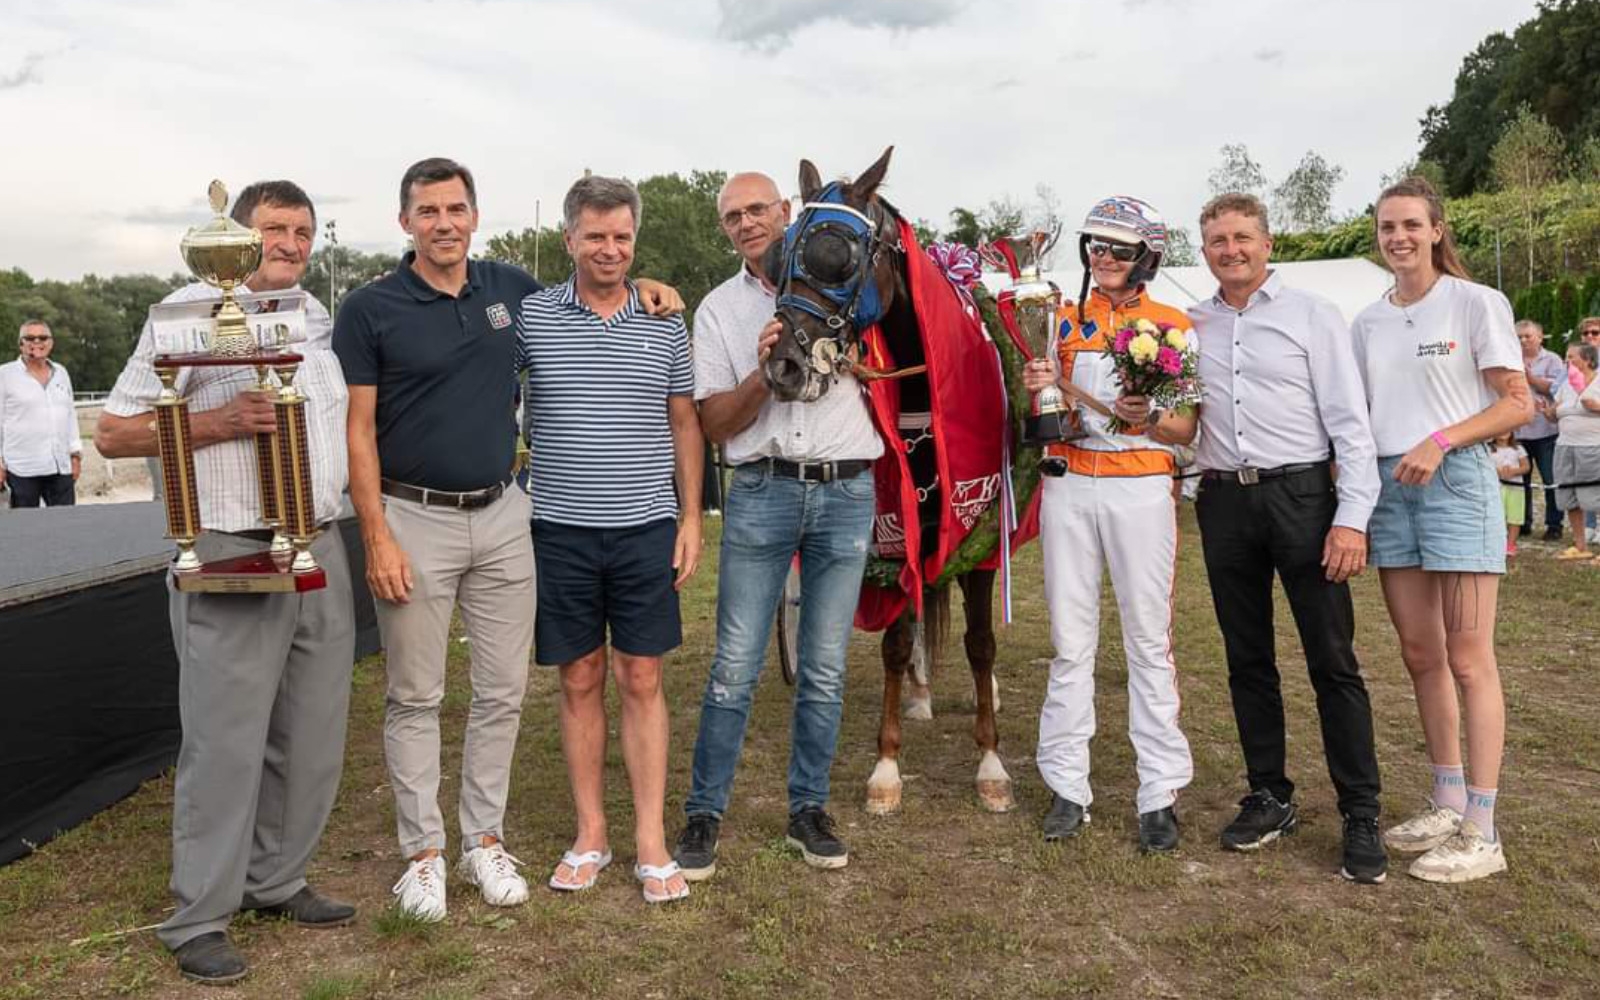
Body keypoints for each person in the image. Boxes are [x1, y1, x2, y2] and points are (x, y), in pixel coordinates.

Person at [333, 158, 683, 922]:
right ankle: (422, 854)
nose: (444, 223)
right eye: (428, 211)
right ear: (405, 223)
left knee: (503, 691)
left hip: (502, 517)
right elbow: (357, 431)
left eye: (456, 208)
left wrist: (654, 284)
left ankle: (482, 838)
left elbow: (601, 282)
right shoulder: (369, 307)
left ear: (475, 216)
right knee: (416, 694)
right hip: (412, 515)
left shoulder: (511, 294)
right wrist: (377, 536)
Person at [95, 180, 355, 984]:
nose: (290, 241)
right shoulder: (180, 311)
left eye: (302, 229)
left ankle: (275, 879)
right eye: (274, 228)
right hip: (228, 543)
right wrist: (217, 422)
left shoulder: (316, 316)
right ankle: (198, 916)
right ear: (237, 237)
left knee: (311, 730)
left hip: (317, 540)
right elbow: (112, 431)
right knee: (225, 742)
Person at [672, 171, 881, 879]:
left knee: (825, 669)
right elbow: (714, 423)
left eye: (758, 209)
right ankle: (705, 814)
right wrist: (765, 370)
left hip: (847, 490)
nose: (746, 223)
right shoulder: (720, 310)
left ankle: (808, 810)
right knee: (734, 666)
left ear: (786, 212)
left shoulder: (853, 275)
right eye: (732, 216)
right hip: (762, 489)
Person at [1188, 192, 1388, 884]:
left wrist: (1351, 517)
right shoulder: (1192, 327)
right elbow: (1181, 421)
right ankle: (1269, 793)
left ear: (1268, 243)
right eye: (1217, 239)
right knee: (1248, 660)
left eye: (1242, 236)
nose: (1230, 249)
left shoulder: (1313, 316)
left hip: (1304, 498)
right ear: (1204, 248)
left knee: (1332, 660)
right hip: (1223, 501)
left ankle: (1360, 812)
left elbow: (1350, 425)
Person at [517, 175, 703, 904]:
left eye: (622, 237)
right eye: (595, 236)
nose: (610, 249)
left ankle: (651, 841)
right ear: (570, 240)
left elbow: (685, 421)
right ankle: (591, 831)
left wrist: (691, 518)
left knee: (643, 677)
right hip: (558, 528)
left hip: (646, 526)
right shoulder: (532, 316)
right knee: (579, 677)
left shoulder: (665, 322)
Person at [1351, 176, 1532, 884]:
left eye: (1409, 225)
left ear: (1435, 229)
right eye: (1387, 227)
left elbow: (1515, 403)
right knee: (1420, 655)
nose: (1397, 237)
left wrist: (1443, 440)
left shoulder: (1475, 302)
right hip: (1392, 491)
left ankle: (1483, 829)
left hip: (1455, 483)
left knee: (1468, 658)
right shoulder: (1367, 321)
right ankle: (1446, 797)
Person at [1020, 196, 1195, 853]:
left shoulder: (1173, 324)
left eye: (1120, 248)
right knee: (1071, 643)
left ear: (1146, 255)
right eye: (1096, 244)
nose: (1106, 257)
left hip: (1142, 489)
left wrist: (1145, 413)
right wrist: (1042, 390)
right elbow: (1052, 426)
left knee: (1148, 642)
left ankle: (1159, 793)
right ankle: (1068, 786)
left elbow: (1187, 431)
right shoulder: (1059, 322)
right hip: (1070, 487)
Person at [1, 320, 81, 507]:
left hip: (60, 466)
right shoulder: (4, 375)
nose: (37, 342)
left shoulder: (61, 372)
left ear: (51, 343)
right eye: (29, 338)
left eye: (42, 337)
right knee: (26, 529)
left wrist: (75, 456)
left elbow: (70, 416)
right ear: (20, 344)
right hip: (22, 468)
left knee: (65, 524)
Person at [1513, 319, 1564, 542]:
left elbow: (1558, 389)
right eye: (1519, 337)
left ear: (1540, 337)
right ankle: (1522, 523)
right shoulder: (1509, 358)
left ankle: (1554, 524)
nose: (1523, 341)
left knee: (1550, 479)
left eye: (1528, 336)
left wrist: (1530, 378)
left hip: (1545, 431)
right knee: (1519, 482)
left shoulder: (1552, 359)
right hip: (1517, 433)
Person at [1550, 342, 1600, 559]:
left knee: (1596, 496)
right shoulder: (1566, 385)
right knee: (1569, 496)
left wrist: (1597, 407)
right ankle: (1580, 547)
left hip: (1593, 447)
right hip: (1564, 446)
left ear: (1588, 360)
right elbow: (1556, 413)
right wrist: (1548, 412)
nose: (1566, 361)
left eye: (1571, 357)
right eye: (1566, 357)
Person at [1488, 432, 1530, 557]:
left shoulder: (1518, 448)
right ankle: (1496, 543)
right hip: (1496, 489)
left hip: (1516, 489)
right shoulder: (1488, 450)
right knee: (1496, 516)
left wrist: (1514, 472)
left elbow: (1526, 467)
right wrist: (1497, 472)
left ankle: (1510, 545)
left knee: (1514, 517)